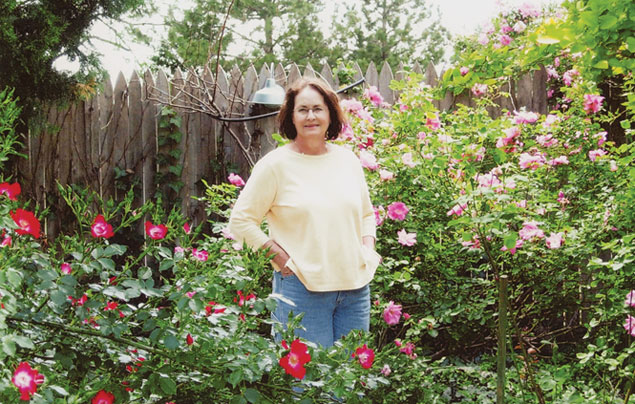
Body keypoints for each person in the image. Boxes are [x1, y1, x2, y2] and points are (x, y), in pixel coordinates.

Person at [228, 77, 381, 348]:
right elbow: (241, 221)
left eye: (318, 109)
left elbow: (367, 215)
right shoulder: (275, 165)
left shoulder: (347, 161)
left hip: (355, 291)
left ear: (330, 114)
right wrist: (282, 260)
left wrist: (367, 251)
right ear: (292, 117)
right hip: (302, 290)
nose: (311, 116)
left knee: (351, 381)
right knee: (307, 386)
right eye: (303, 110)